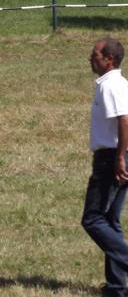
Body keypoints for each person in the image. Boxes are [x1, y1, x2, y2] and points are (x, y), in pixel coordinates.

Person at [82, 37, 128, 297]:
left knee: (93, 219)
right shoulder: (119, 84)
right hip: (120, 155)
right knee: (111, 220)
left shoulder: (110, 87)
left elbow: (125, 120)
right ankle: (116, 287)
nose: (91, 58)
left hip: (112, 158)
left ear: (109, 59)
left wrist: (119, 157)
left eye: (96, 54)